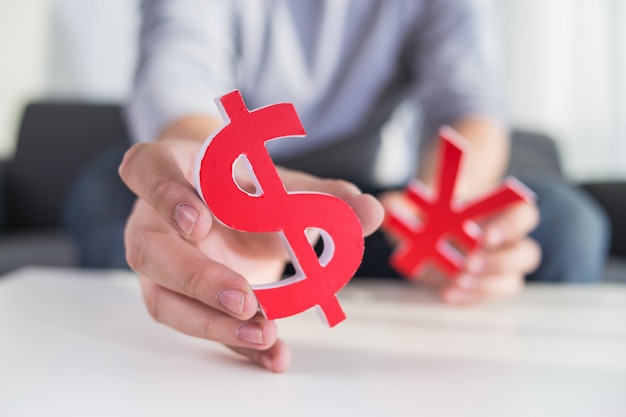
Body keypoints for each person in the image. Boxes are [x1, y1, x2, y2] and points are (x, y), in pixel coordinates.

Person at [66, 0, 610, 372]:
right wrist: (228, 190)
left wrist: (440, 216)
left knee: (565, 222)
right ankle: (221, 264)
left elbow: (469, 105)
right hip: (233, 190)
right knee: (112, 190)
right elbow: (176, 73)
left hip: (358, 207)